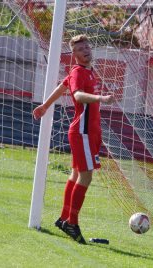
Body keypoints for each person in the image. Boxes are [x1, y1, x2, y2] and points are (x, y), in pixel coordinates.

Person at [33, 34, 114, 244]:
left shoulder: (87, 71)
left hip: (90, 132)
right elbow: (76, 95)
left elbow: (62, 87)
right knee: (85, 177)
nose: (86, 50)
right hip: (83, 132)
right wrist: (101, 98)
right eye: (80, 49)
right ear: (74, 55)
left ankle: (63, 218)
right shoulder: (79, 72)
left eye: (87, 46)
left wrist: (44, 106)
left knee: (76, 174)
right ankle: (72, 222)